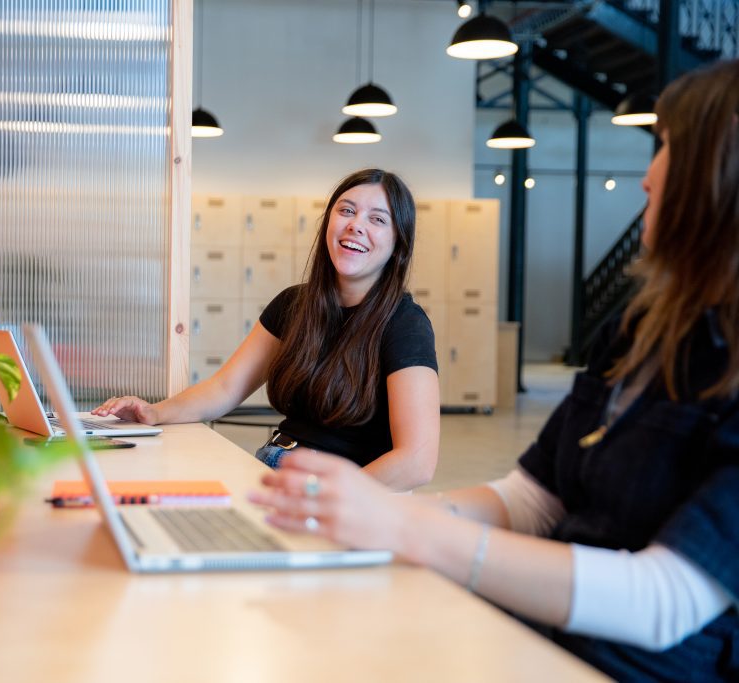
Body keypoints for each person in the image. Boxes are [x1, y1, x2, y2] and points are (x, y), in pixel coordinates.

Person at [251, 59, 739, 681]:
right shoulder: (638, 331)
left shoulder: (403, 322)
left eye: (666, 149)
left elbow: (664, 603)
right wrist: (371, 515)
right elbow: (533, 498)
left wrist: (407, 526)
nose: (646, 179)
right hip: (535, 630)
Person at [93, 168, 440, 490]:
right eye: (346, 211)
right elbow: (225, 387)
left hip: (335, 488)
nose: (356, 225)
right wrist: (154, 412)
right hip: (273, 464)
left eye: (377, 219)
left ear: (398, 245)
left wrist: (324, 497)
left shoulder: (405, 324)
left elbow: (417, 462)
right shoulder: (294, 304)